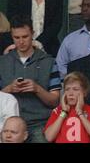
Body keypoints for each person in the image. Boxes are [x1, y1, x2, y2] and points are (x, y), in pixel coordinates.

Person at [0, 15, 61, 143]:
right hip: (9, 126)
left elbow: (55, 101)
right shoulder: (2, 62)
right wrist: (9, 89)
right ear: (11, 36)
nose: (21, 41)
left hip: (40, 124)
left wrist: (37, 89)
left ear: (32, 34)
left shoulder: (49, 62)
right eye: (16, 38)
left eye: (25, 37)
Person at [44, 71, 90, 143]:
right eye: (67, 89)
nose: (70, 93)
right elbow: (49, 137)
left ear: (84, 92)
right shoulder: (57, 111)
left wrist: (80, 112)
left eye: (75, 89)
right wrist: (63, 112)